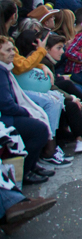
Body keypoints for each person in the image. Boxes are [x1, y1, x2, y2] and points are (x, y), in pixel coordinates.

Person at [0, 36, 52, 184]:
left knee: (37, 120)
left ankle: (33, 164)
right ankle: (25, 171)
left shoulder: (5, 69)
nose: (12, 53)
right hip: (4, 118)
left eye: (13, 49)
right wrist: (26, 112)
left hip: (8, 114)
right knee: (39, 130)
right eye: (8, 50)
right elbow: (6, 104)